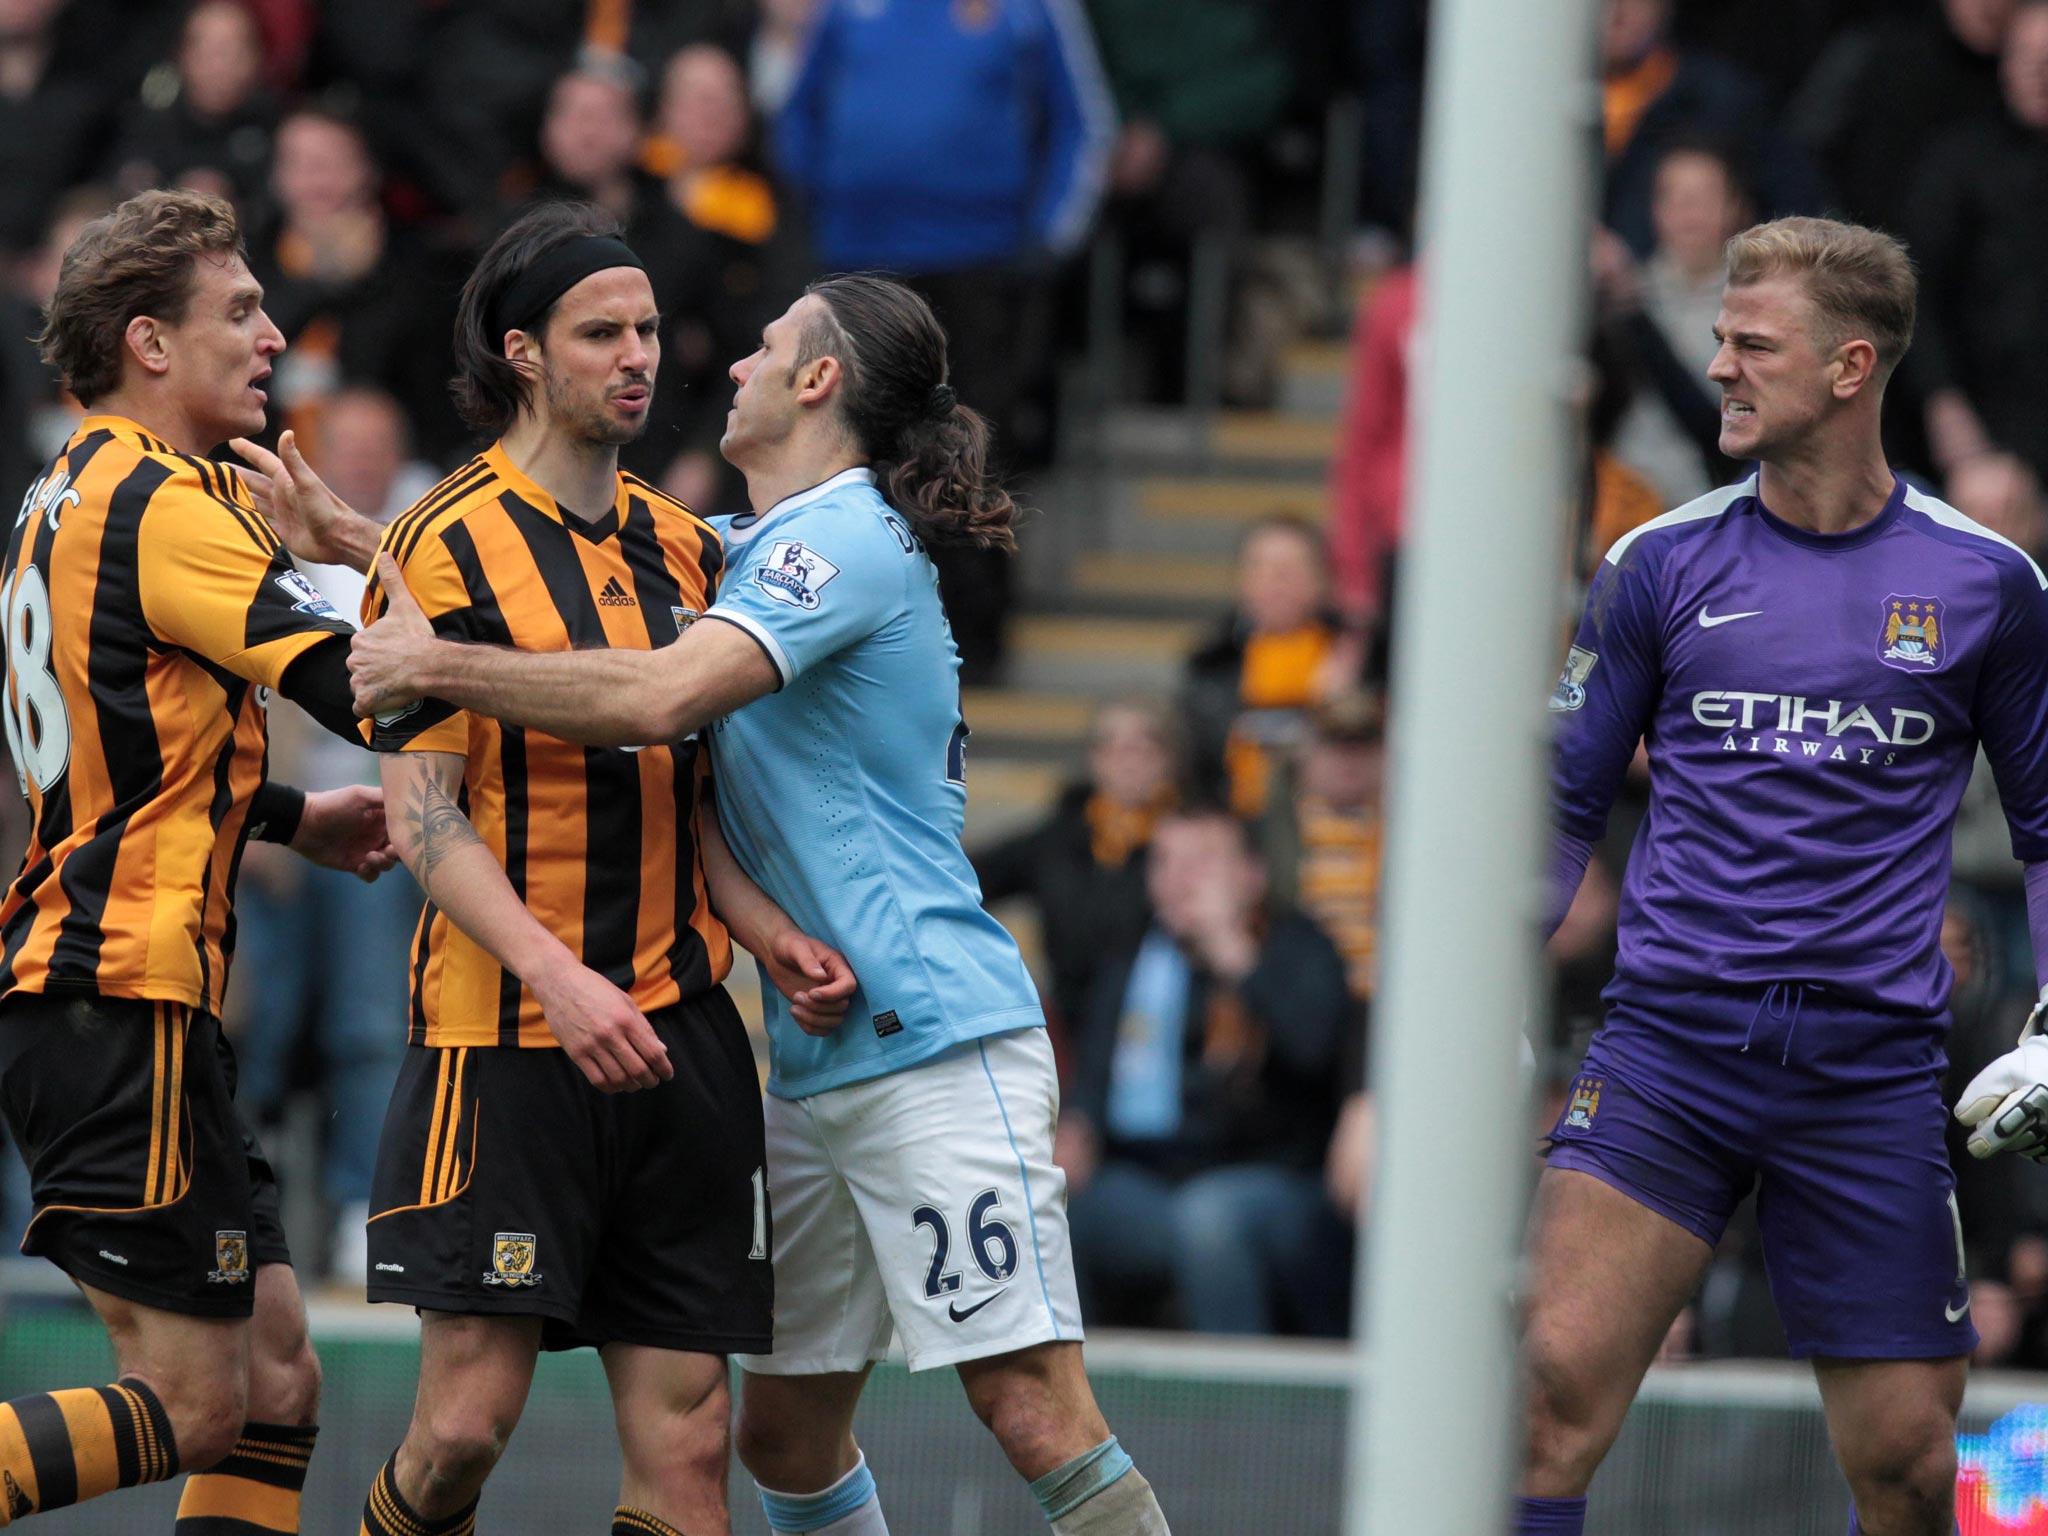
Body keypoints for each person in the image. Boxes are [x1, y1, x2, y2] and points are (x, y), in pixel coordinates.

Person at [337, 272, 1170, 1534]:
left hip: (937, 1042)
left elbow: (652, 698)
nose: (728, 365)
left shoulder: (831, 541)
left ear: (817, 380)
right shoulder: (746, 546)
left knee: (1032, 1408)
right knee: (783, 1438)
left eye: (766, 348)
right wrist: (362, 541)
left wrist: (429, 663)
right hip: (815, 1059)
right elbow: (553, 569)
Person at [317, 201, 855, 1536]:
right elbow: (424, 820)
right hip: (505, 1034)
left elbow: (689, 791)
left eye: (650, 329)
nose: (639, 355)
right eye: (601, 331)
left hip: (678, 1037)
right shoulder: (438, 541)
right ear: (522, 353)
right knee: (459, 1432)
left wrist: (764, 925)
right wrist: (557, 976)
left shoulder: (684, 544)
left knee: (689, 1443)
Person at [1525, 216, 2048, 1536]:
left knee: (1913, 1467)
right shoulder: (1656, 565)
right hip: (1667, 1053)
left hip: (1869, 1076)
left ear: (1849, 367)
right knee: (1549, 1402)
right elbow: (1560, 804)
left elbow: (2044, 826)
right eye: (1719, 342)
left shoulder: (1989, 583)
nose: (1721, 369)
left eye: (1753, 345)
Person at [0, 187, 400, 1531]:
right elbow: (369, 690)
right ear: (148, 344)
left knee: (279, 1374)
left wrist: (288, 818)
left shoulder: (63, 493)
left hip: (104, 988)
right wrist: (381, 550)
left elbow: (113, 757)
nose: (274, 335)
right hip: (122, 998)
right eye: (238, 309)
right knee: (193, 1402)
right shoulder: (170, 505)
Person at [1059, 806, 1352, 1336]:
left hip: (1275, 1182)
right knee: (1052, 1214)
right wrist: (1076, 1129)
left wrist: (1235, 954)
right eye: (1165, 862)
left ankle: (1237, 1410)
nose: (1178, 879)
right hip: (1150, 1181)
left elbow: (1314, 1051)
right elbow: (1095, 1079)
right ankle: (1082, 1406)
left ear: (1252, 876)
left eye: (1201, 862)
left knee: (1209, 1219)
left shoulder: (1298, 945)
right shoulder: (1134, 956)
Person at [971, 699, 1178, 1035]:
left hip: (1160, 1030)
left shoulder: (1190, 843)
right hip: (1073, 1027)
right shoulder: (1057, 839)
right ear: (1094, 759)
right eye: (1112, 746)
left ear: (1167, 758)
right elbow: (968, 878)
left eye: (1142, 746)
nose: (1126, 760)